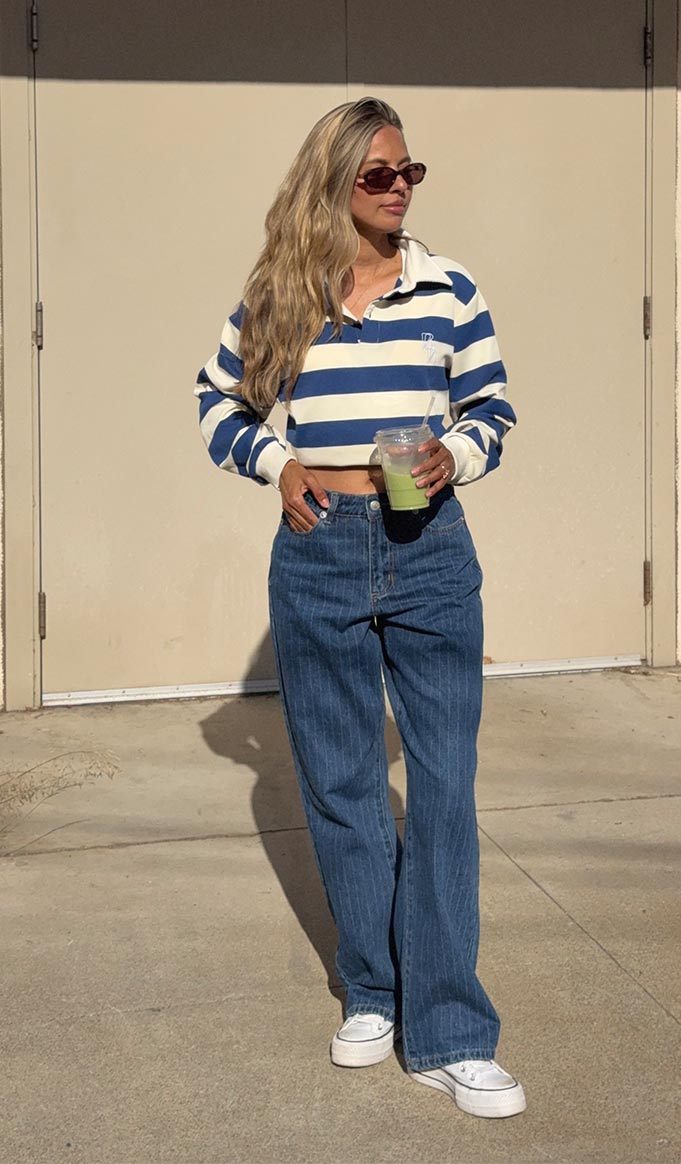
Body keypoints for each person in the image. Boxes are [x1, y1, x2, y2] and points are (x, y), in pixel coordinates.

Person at [195, 97, 526, 1120]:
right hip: (319, 552)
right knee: (342, 788)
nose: (398, 190)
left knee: (441, 793)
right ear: (333, 179)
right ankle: (374, 992)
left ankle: (452, 1028)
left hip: (429, 549)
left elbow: (495, 408)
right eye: (378, 173)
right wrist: (276, 462)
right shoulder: (281, 293)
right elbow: (217, 401)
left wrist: (454, 453)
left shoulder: (449, 287)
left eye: (408, 172)